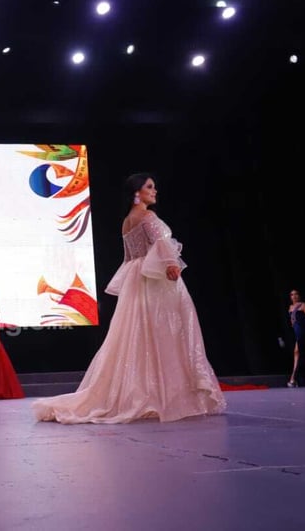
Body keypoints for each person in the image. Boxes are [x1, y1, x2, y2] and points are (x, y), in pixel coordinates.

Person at [32, 173, 226, 424]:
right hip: (155, 279)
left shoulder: (127, 221)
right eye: (149, 187)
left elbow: (129, 257)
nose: (154, 191)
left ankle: (149, 393)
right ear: (137, 192)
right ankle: (164, 395)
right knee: (166, 332)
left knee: (138, 336)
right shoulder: (148, 216)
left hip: (137, 278)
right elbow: (161, 245)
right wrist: (171, 265)